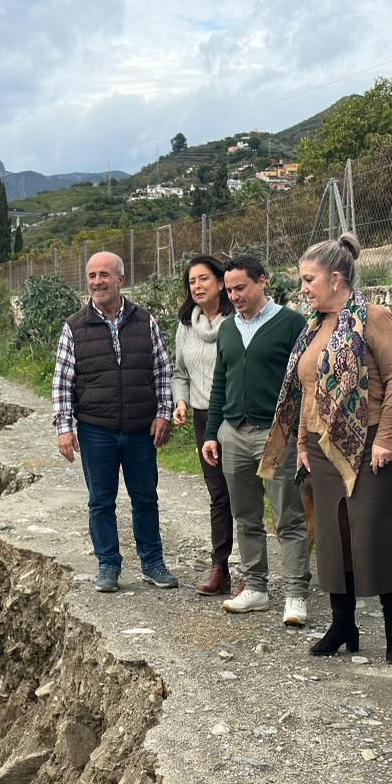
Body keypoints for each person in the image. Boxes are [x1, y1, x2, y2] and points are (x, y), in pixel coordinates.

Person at [262, 233, 392, 662]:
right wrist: (305, 443)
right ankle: (343, 624)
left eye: (309, 279)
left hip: (368, 445)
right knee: (333, 537)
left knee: (372, 535)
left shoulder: (374, 317)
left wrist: (386, 438)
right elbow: (309, 392)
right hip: (325, 449)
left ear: (336, 277)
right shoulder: (315, 326)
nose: (303, 288)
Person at [52, 251, 179, 594]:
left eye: (104, 275)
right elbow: (63, 381)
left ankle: (153, 563)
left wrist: (164, 413)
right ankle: (108, 564)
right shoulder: (75, 326)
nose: (97, 282)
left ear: (121, 279)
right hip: (96, 430)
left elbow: (162, 370)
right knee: (100, 501)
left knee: (145, 498)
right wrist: (64, 427)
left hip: (140, 430)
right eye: (92, 275)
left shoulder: (144, 320)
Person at [201, 254, 310, 626]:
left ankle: (296, 593)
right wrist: (212, 432)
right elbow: (221, 382)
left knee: (288, 515)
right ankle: (257, 588)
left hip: (276, 432)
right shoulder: (229, 329)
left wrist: (300, 432)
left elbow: (304, 381)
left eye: (241, 287)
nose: (234, 295)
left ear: (263, 281)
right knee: (245, 515)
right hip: (234, 431)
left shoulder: (292, 323)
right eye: (229, 289)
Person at [172, 255, 236, 596]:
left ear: (221, 282)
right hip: (201, 417)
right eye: (192, 281)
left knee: (247, 493)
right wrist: (180, 400)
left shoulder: (236, 320)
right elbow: (179, 372)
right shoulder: (185, 326)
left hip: (236, 416)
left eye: (204, 279)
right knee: (218, 494)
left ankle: (257, 571)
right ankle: (220, 567)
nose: (197, 286)